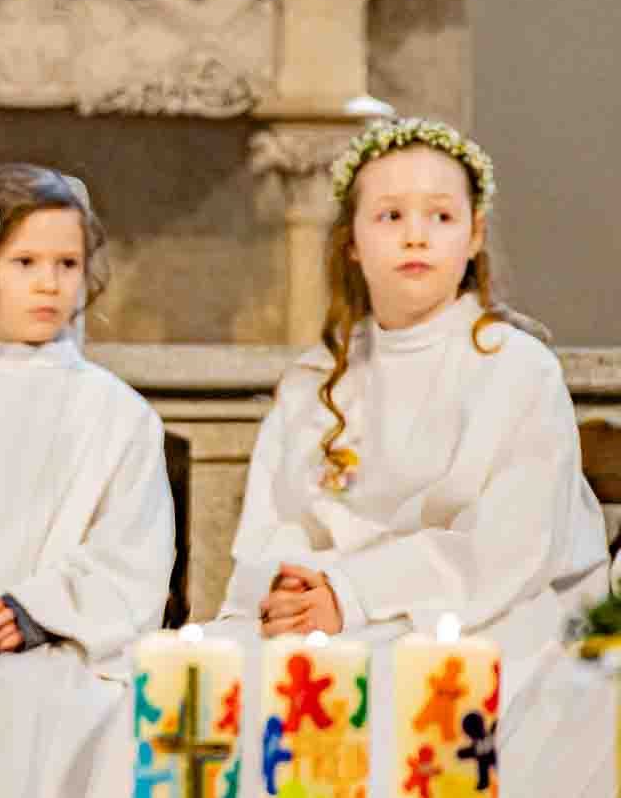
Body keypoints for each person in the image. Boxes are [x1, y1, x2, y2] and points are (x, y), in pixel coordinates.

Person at [218, 117, 612, 796]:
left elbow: (512, 544)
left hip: (487, 609)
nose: (415, 235)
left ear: (475, 234)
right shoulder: (315, 380)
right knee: (213, 690)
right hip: (331, 613)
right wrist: (293, 593)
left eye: (441, 215)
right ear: (351, 241)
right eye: (390, 215)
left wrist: (354, 594)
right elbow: (274, 526)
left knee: (398, 698)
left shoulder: (517, 369)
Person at [0, 163, 172, 798]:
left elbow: (133, 555)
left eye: (67, 264)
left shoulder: (118, 413)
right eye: (25, 262)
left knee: (31, 711)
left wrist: (37, 611)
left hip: (63, 648)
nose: (49, 284)